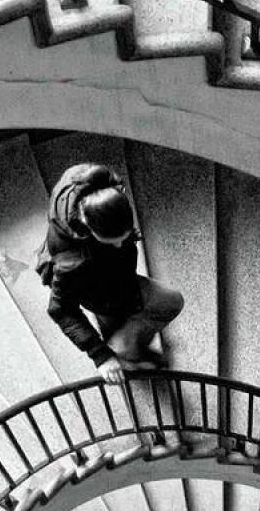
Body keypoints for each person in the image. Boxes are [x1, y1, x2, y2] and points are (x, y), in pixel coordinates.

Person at [36, 163, 184, 386]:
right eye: (111, 241)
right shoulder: (71, 263)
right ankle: (124, 351)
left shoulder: (94, 183)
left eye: (124, 237)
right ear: (88, 226)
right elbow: (61, 309)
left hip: (115, 277)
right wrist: (101, 356)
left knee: (124, 321)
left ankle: (128, 350)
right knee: (169, 303)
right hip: (99, 290)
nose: (119, 246)